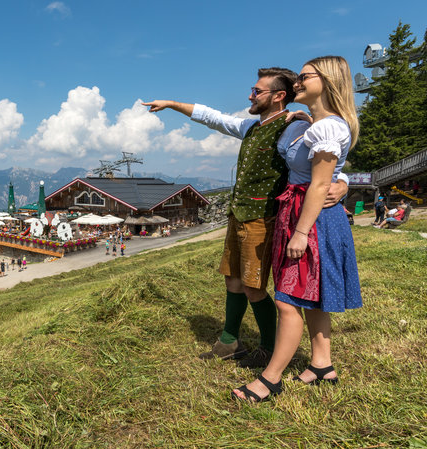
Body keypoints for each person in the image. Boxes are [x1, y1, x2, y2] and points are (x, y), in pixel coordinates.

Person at [143, 67, 349, 368]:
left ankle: (267, 347)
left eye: (257, 91)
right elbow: (213, 117)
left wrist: (343, 184)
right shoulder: (251, 126)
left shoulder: (296, 126)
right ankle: (230, 342)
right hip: (239, 213)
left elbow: (326, 162)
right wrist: (173, 104)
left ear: (279, 97)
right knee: (233, 279)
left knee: (254, 285)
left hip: (264, 217)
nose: (250, 95)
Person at [232, 56, 362, 402]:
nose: (297, 83)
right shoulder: (315, 124)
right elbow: (328, 175)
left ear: (328, 80)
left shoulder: (326, 127)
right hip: (303, 211)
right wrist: (343, 181)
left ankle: (270, 380)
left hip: (311, 218)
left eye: (304, 77)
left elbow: (320, 185)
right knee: (311, 296)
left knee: (288, 300)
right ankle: (322, 364)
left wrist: (302, 232)